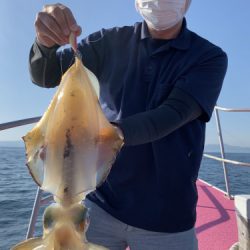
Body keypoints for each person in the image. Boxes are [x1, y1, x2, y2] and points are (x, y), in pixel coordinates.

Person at [29, 1, 228, 249]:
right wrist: (44, 43)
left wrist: (105, 137)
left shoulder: (208, 57)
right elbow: (46, 73)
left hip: (166, 216)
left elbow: (174, 112)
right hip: (99, 203)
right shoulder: (109, 41)